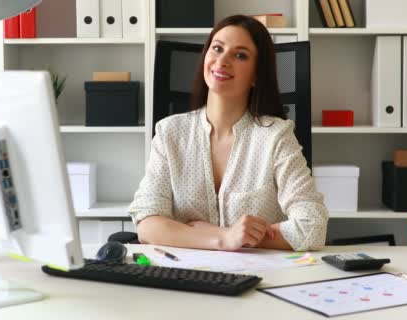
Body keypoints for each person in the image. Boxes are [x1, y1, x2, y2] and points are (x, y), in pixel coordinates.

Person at [128, 15, 328, 251]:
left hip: (258, 276)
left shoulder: (275, 136)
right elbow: (147, 224)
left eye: (240, 55)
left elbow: (313, 227)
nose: (222, 60)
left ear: (256, 75)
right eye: (217, 49)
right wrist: (223, 238)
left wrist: (232, 237)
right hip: (186, 275)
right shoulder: (170, 132)